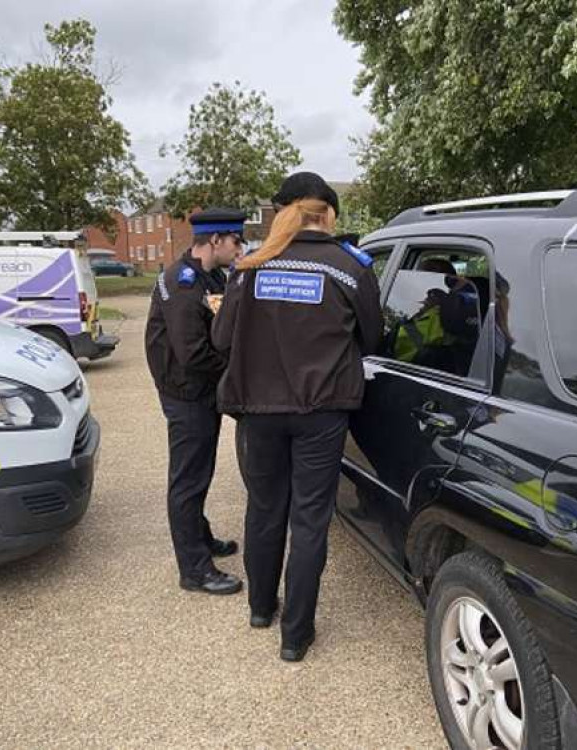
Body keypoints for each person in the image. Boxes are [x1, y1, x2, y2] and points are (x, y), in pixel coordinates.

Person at [212, 173, 383, 661]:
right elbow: (372, 340)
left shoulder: (250, 266)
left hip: (260, 412)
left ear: (282, 213)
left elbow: (222, 341)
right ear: (328, 214)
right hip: (322, 412)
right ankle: (295, 635)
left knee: (265, 509)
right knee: (309, 520)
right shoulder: (352, 268)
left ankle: (261, 608)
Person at [145, 208, 248, 596]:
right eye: (236, 241)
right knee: (188, 480)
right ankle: (194, 569)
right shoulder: (184, 282)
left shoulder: (209, 276)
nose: (240, 247)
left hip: (198, 390)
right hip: (187, 392)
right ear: (215, 240)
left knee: (198, 471)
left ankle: (200, 538)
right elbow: (194, 354)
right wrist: (239, 368)